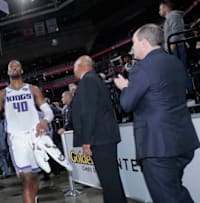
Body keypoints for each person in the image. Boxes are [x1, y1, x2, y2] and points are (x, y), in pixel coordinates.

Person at [114, 23, 200, 203]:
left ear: (144, 43)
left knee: (167, 197)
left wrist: (125, 88)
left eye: (134, 44)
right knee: (175, 192)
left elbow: (127, 104)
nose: (132, 49)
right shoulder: (174, 62)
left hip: (158, 147)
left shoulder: (141, 68)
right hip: (182, 141)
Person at [0, 60, 54, 203]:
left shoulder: (33, 89)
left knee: (34, 177)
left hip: (35, 138)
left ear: (22, 70)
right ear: (7, 72)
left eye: (16, 65)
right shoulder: (2, 94)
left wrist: (44, 121)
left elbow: (48, 111)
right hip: (17, 140)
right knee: (27, 178)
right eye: (10, 66)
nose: (13, 67)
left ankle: (33, 198)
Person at [71, 55, 127, 203]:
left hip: (99, 139)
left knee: (109, 182)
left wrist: (87, 140)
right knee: (110, 181)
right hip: (103, 137)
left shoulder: (88, 81)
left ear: (81, 66)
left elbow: (89, 112)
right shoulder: (94, 80)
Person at [159, 0, 187, 65]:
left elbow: (176, 33)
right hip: (173, 48)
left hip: (176, 48)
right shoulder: (169, 19)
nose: (159, 12)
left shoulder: (174, 16)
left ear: (165, 7)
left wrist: (170, 49)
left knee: (180, 69)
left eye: (160, 9)